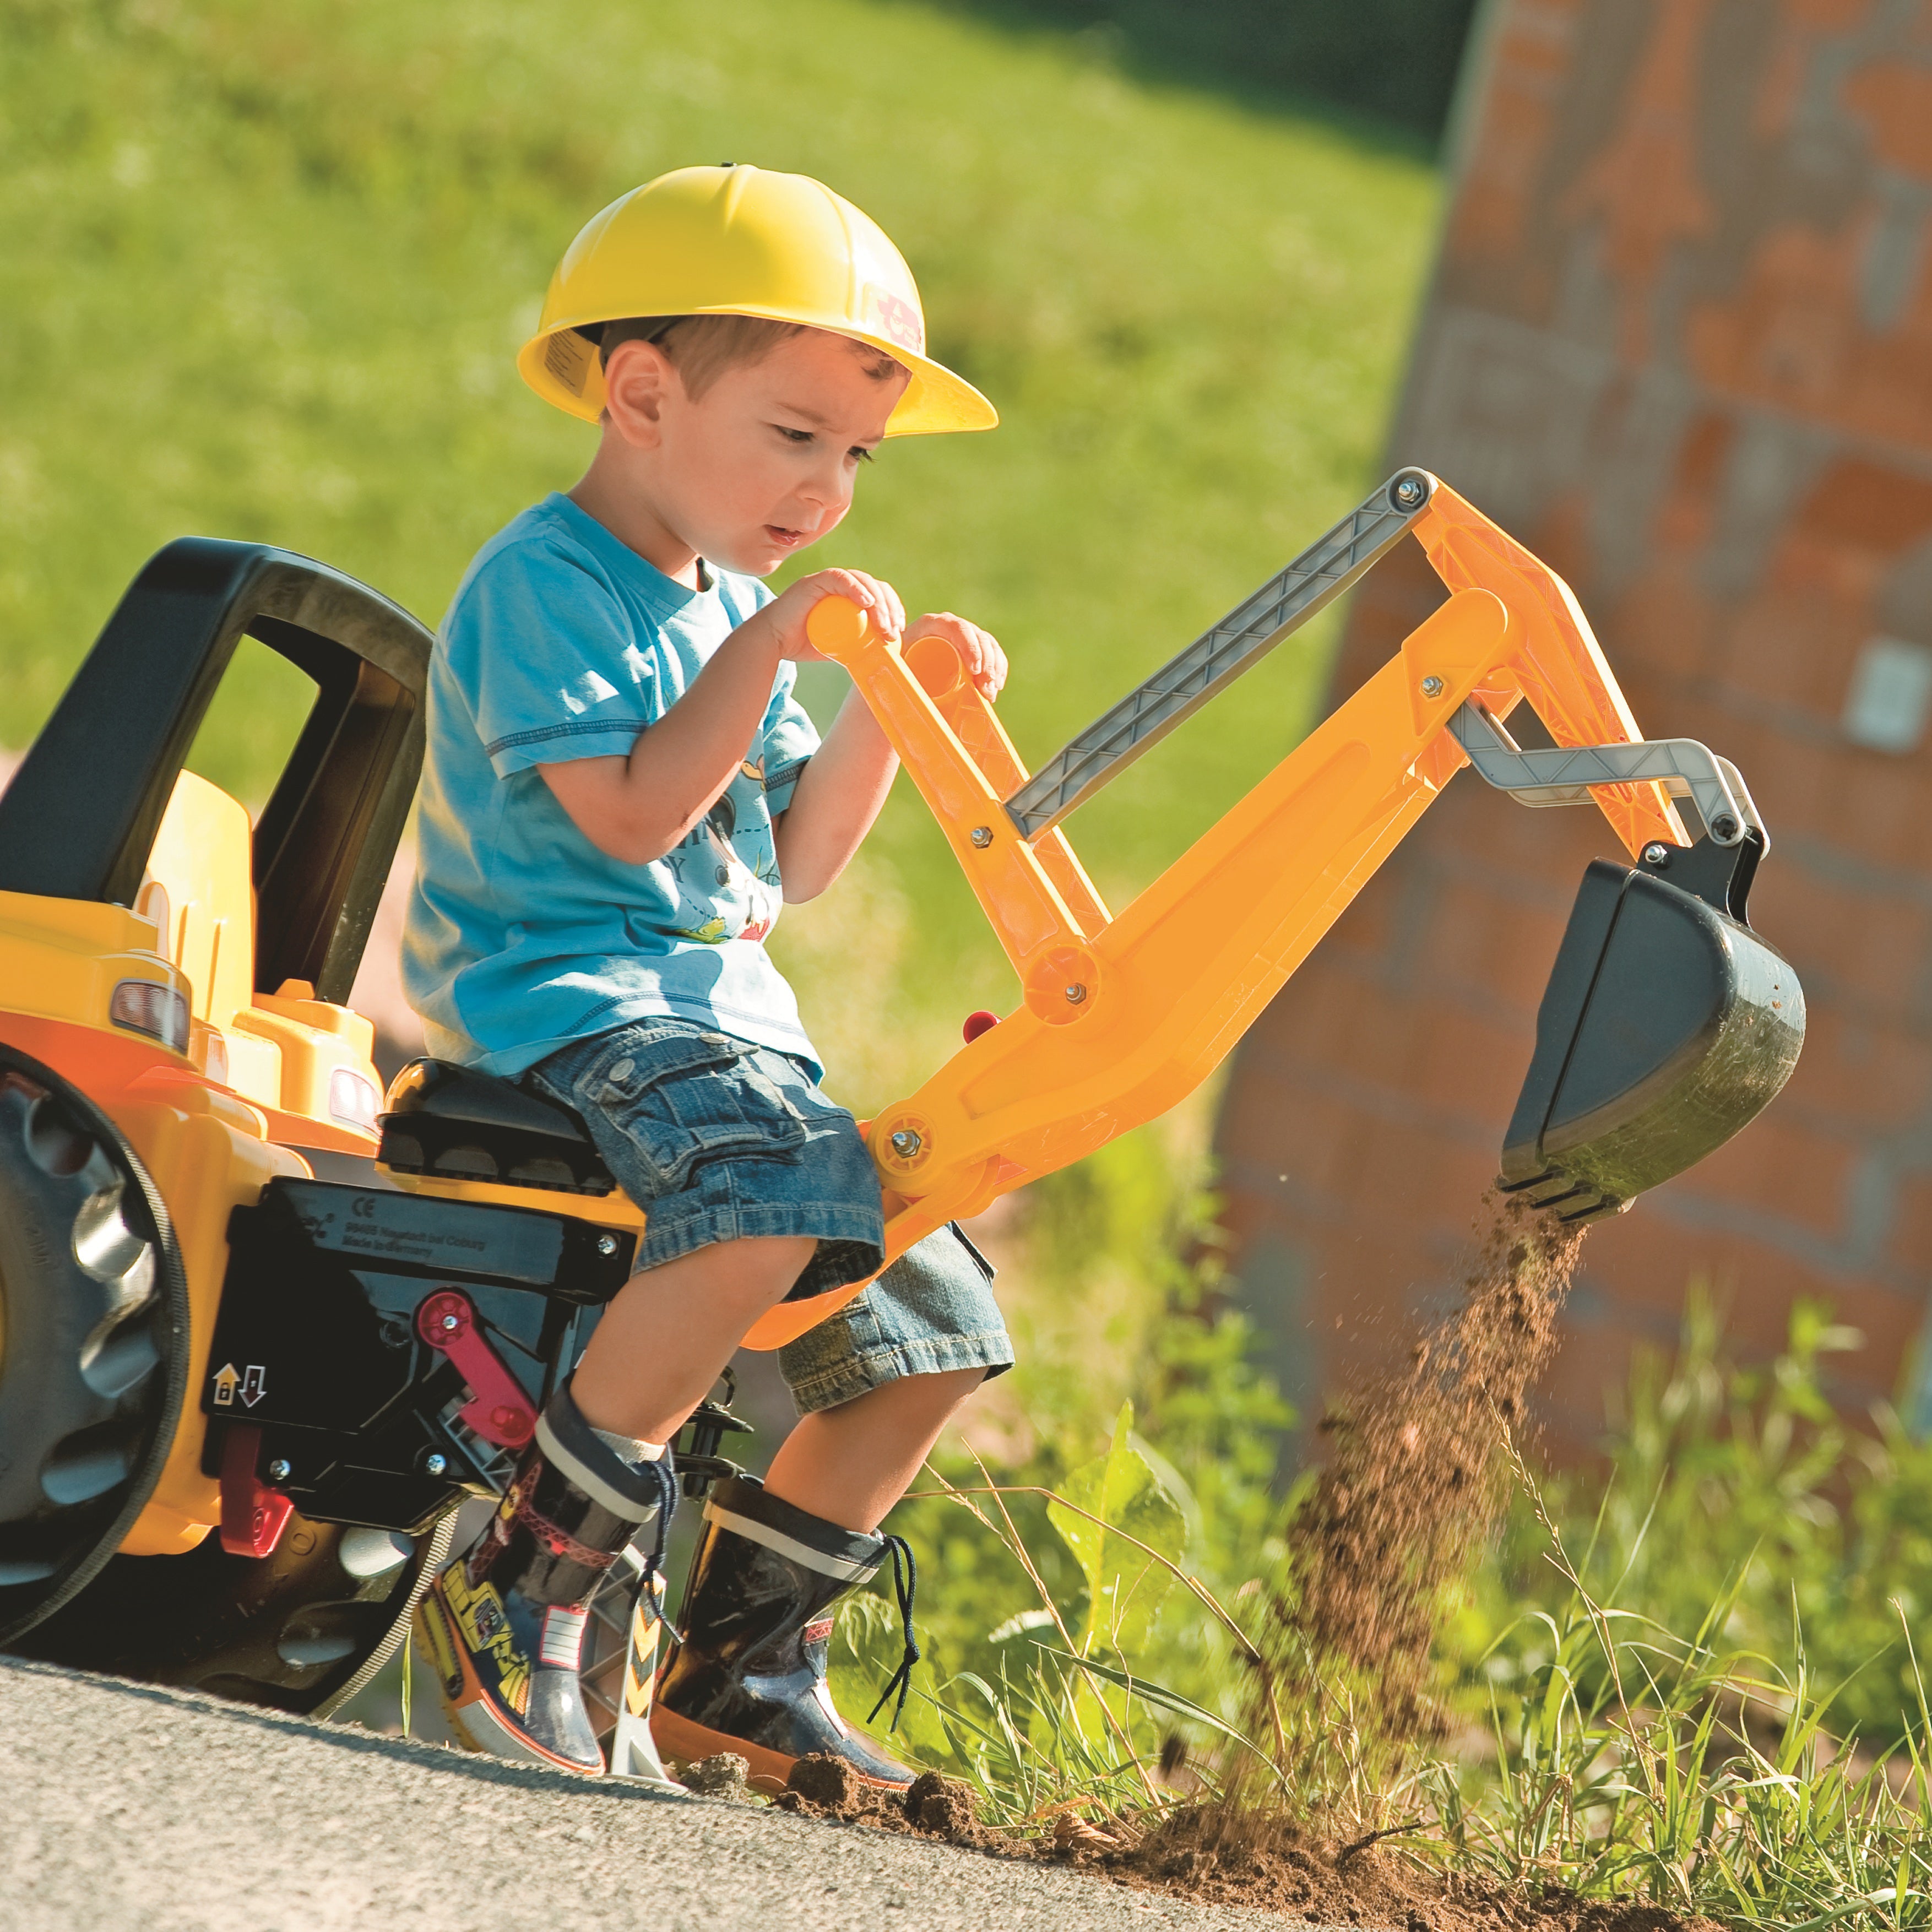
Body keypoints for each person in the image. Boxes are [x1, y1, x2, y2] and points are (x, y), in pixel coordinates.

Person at [402, 164, 1015, 1788]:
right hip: (570, 1005)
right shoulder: (550, 582)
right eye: (795, 436)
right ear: (644, 394)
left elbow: (798, 859)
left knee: (943, 1310)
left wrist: (891, 701)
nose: (828, 489)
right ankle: (530, 1568)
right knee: (761, 1190)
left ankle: (741, 1668)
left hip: (724, 1037)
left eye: (857, 457)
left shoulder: (737, 603)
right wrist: (773, 646)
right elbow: (625, 817)